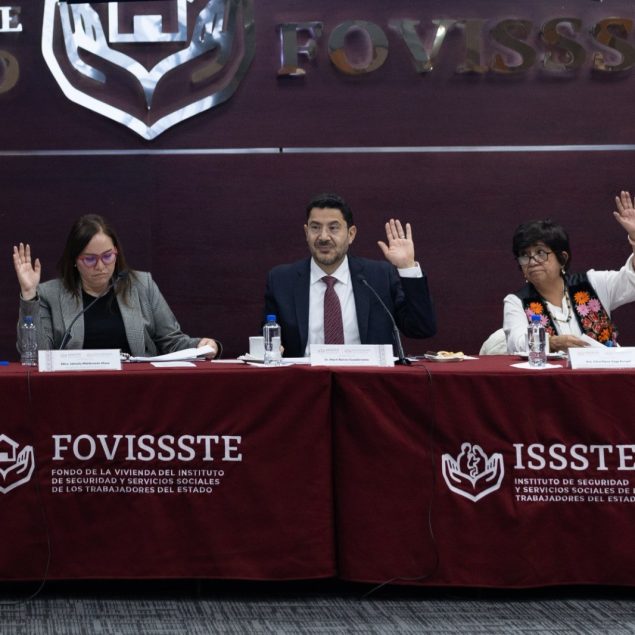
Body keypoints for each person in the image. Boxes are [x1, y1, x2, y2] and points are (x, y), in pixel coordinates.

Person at [13, 214, 220, 357]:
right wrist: (29, 294)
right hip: (74, 391)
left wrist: (201, 346)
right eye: (90, 259)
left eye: (107, 256)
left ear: (116, 252)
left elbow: (172, 342)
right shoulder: (49, 294)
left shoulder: (142, 286)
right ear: (75, 260)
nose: (100, 266)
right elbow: (36, 355)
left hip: (137, 389)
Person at [263, 192, 436, 357]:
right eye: (315, 228)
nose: (323, 237)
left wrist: (407, 267)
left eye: (333, 228)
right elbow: (267, 342)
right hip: (306, 376)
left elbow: (421, 329)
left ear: (351, 234)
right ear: (306, 233)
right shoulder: (281, 280)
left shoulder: (379, 277)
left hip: (366, 376)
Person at [503, 191, 635, 353]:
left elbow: (632, 281)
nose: (532, 261)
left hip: (606, 369)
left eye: (540, 252)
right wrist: (552, 343)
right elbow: (516, 343)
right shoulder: (516, 302)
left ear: (562, 258)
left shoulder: (593, 283)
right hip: (551, 371)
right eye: (525, 255)